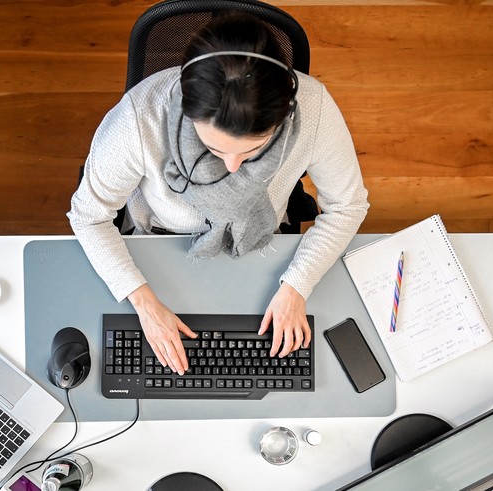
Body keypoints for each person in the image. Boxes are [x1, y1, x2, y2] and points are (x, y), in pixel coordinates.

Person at [68, 12, 368, 377]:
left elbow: (348, 206)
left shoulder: (314, 107)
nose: (232, 168)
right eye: (214, 149)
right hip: (159, 244)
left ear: (285, 115)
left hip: (264, 244)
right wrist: (144, 303)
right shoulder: (139, 118)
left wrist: (297, 286)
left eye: (253, 151)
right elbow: (89, 215)